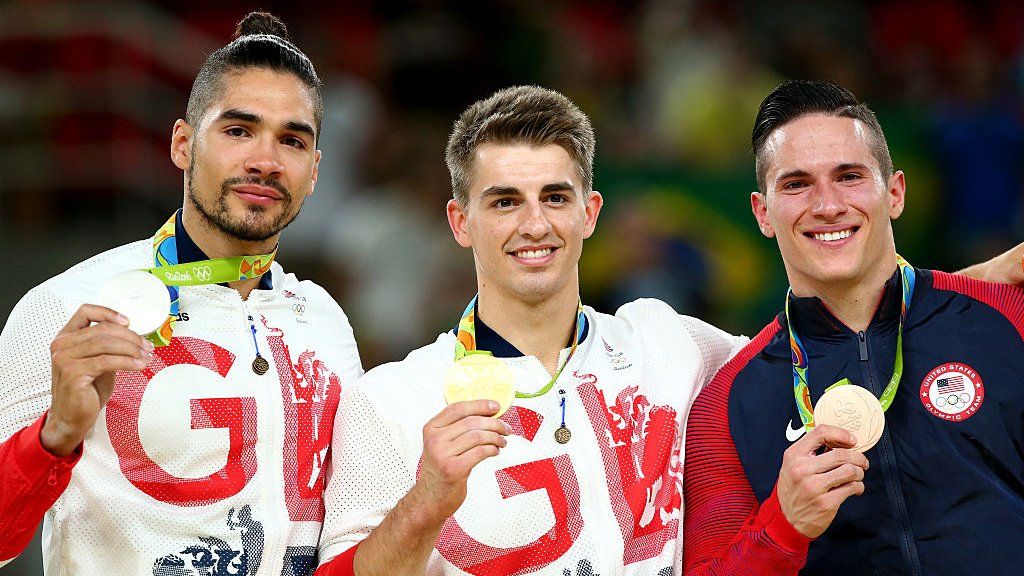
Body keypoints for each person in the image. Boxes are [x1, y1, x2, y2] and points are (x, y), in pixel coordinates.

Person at [312, 85, 750, 576]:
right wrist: (427, 500)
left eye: (555, 197)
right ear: (460, 222)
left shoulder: (665, 341)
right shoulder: (391, 400)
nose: (535, 224)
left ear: (590, 213)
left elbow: (792, 359)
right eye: (504, 202)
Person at [0, 12, 361, 575]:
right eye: (238, 131)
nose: (264, 162)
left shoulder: (325, 322)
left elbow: (345, 541)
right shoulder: (67, 305)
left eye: (291, 141)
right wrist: (56, 436)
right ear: (183, 145)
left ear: (313, 171)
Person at [682, 79, 1024, 575]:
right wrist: (783, 525)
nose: (827, 205)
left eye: (848, 176)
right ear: (763, 213)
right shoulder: (725, 406)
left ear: (894, 192)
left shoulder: (1004, 318)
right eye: (797, 184)